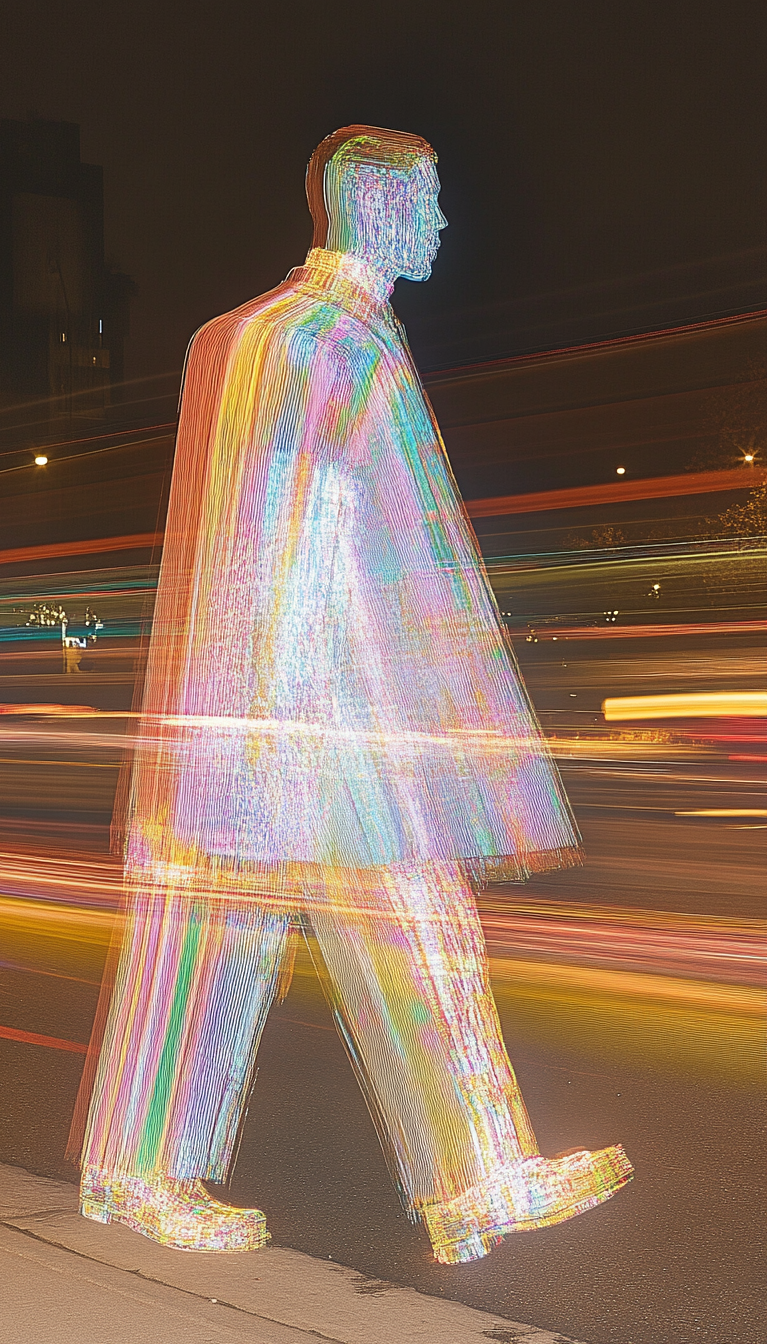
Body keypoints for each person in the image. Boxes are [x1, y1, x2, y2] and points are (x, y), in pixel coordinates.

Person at [73, 125, 632, 1264]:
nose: (441, 225)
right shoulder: (334, 340)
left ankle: (458, 1178)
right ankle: (466, 1180)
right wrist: (303, 727)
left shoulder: (238, 334)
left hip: (264, 712)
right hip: (314, 716)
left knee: (234, 944)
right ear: (373, 210)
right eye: (426, 204)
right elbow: (353, 541)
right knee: (357, 932)